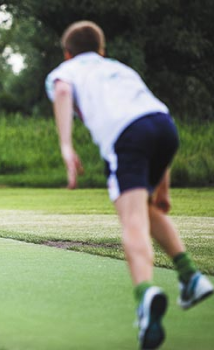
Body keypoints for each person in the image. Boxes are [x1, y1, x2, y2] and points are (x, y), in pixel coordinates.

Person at [45, 20, 213, 349]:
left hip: (127, 137)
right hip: (165, 126)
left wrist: (66, 147)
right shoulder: (119, 69)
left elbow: (63, 91)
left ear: (67, 54)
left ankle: (145, 295)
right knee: (147, 208)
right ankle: (190, 276)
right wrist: (162, 189)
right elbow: (150, 115)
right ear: (102, 50)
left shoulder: (64, 73)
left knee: (131, 219)